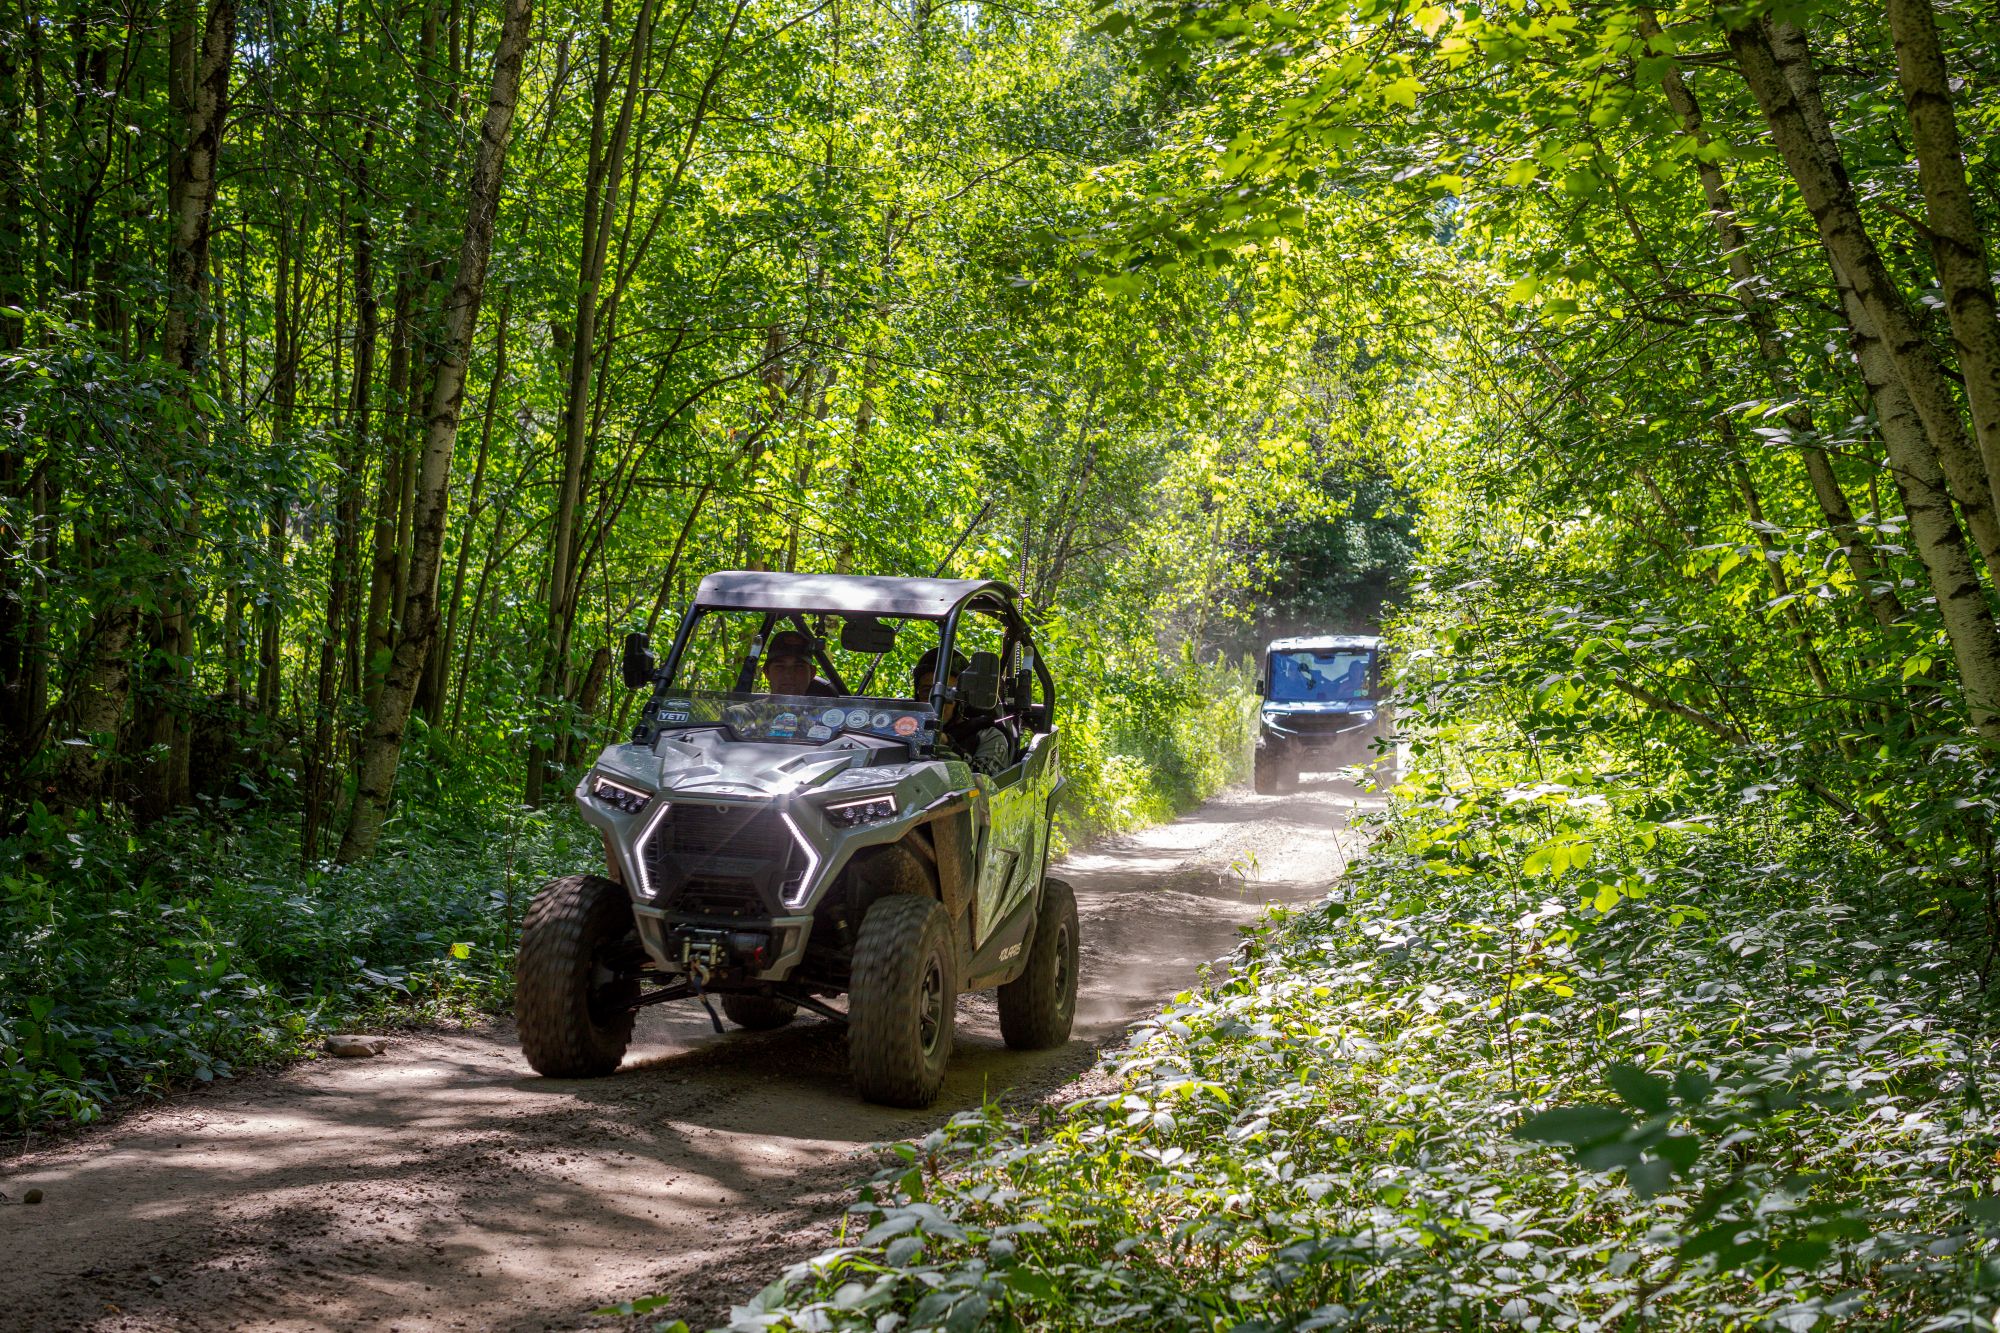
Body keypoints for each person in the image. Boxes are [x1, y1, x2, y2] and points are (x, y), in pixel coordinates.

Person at [913, 646, 1011, 776]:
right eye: (927, 691)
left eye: (948, 692)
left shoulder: (987, 735)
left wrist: (948, 745)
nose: (935, 701)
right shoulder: (905, 730)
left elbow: (989, 784)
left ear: (961, 698)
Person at [763, 629, 837, 697]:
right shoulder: (753, 710)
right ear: (767, 672)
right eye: (780, 666)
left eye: (798, 666)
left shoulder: (828, 711)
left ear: (812, 672)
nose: (789, 674)